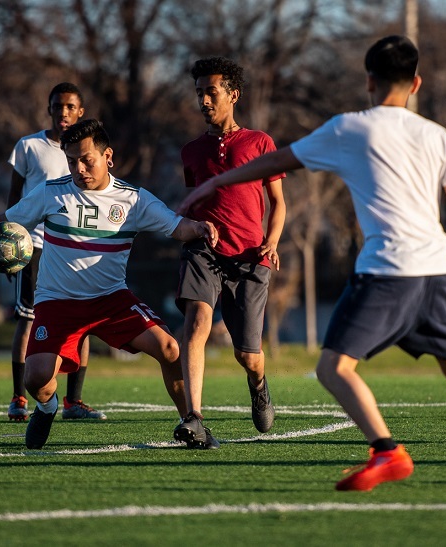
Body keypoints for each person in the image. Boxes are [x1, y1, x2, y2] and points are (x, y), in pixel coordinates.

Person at [179, 35, 446, 490]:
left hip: (388, 271)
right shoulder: (436, 134)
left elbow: (277, 161)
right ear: (416, 84)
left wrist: (215, 184)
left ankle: (387, 452)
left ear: (368, 81)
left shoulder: (350, 128)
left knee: (333, 368)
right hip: (439, 271)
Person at [0, 119, 218, 450]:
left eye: (86, 159)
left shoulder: (134, 200)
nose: (79, 168)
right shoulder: (53, 192)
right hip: (57, 303)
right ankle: (48, 407)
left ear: (108, 156)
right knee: (36, 379)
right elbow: (0, 223)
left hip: (111, 300)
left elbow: (176, 226)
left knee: (170, 348)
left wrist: (198, 227)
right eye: (71, 161)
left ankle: (192, 423)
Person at [172, 57, 286, 450]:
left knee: (248, 354)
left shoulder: (260, 143)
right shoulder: (191, 151)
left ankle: (258, 385)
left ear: (233, 95)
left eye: (211, 92)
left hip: (250, 258)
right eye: (199, 92)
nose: (203, 100)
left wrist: (272, 240)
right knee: (196, 322)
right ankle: (194, 417)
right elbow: (198, 196)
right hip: (204, 250)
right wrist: (183, 219)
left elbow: (278, 202)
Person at [6, 82, 104, 422]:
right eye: (57, 106)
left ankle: (74, 402)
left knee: (84, 320)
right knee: (29, 319)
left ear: (80, 111)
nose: (63, 112)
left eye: (70, 107)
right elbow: (14, 200)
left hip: (77, 246)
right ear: (49, 109)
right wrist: (8, 247)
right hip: (34, 245)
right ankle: (19, 396)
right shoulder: (29, 146)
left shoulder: (88, 149)